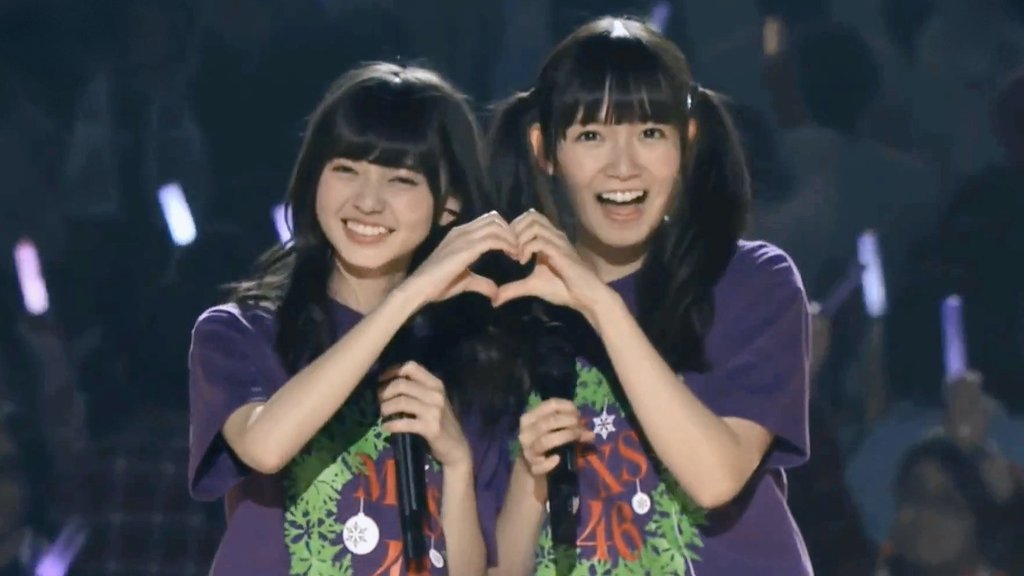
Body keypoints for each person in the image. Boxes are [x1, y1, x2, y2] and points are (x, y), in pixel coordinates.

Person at [485, 16, 812, 574]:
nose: (623, 166)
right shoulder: (506, 310)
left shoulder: (750, 280)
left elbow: (715, 478)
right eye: (591, 136)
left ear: (687, 141)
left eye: (650, 134)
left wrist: (599, 303)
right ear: (544, 149)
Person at [187, 62, 518, 575]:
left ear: (449, 206)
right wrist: (407, 297)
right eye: (346, 169)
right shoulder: (242, 332)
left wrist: (456, 462)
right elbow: (265, 447)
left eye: (401, 179)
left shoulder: (475, 358)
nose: (367, 201)